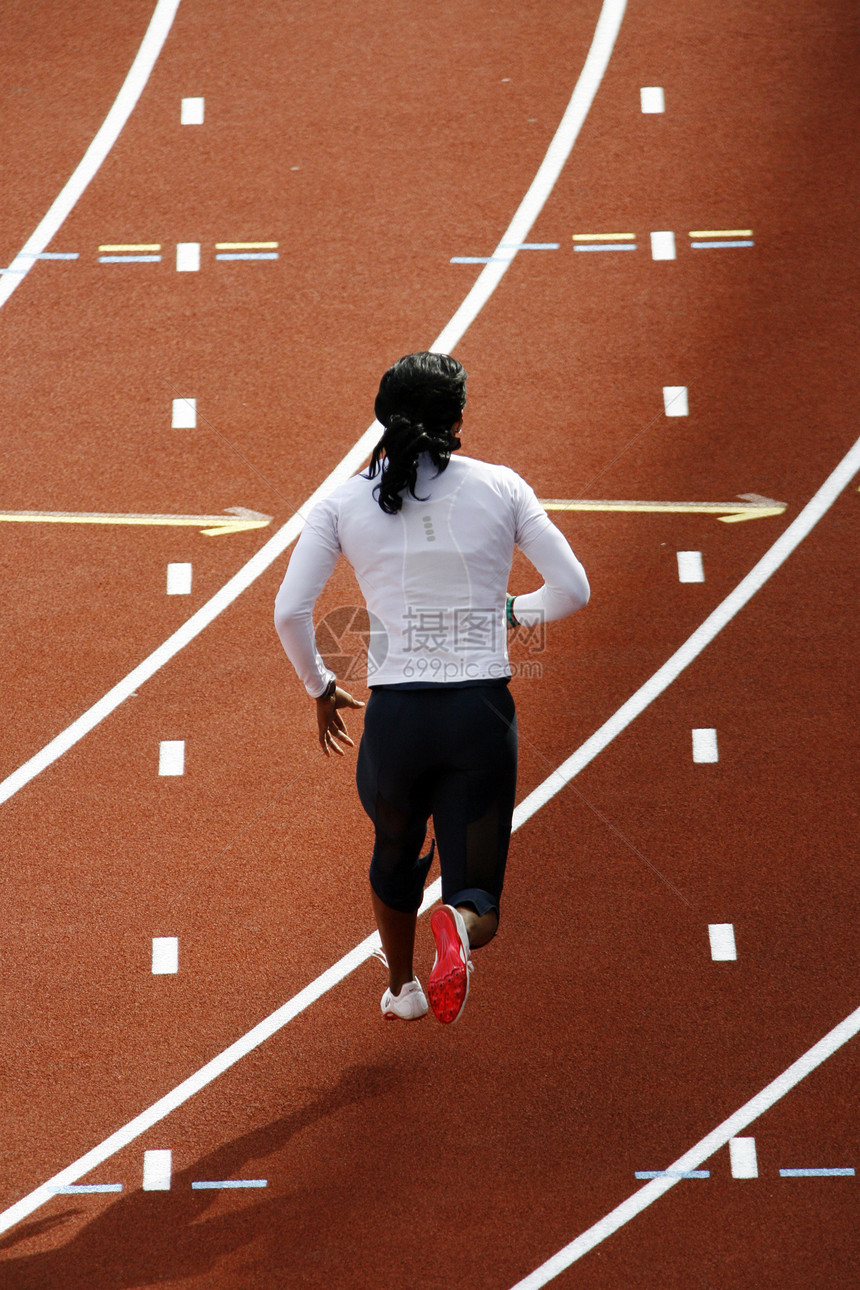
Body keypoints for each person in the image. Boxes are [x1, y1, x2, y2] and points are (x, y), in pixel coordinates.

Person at [274, 352, 589, 1024]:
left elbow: (289, 612)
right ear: (459, 418)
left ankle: (403, 988)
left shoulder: (340, 502)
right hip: (480, 715)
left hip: (395, 723)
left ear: (381, 415)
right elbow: (572, 590)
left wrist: (321, 687)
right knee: (478, 896)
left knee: (393, 854)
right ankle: (457, 927)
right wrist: (507, 612)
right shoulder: (502, 488)